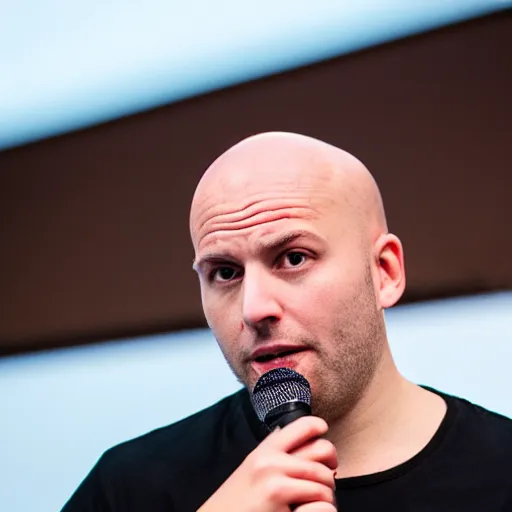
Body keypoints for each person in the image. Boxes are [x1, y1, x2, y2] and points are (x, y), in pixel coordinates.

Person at [62, 132, 512, 511]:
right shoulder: (129, 488)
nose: (253, 309)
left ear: (385, 272)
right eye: (225, 272)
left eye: (293, 258)